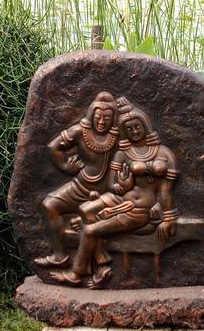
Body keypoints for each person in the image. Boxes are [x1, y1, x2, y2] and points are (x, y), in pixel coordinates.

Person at [51, 97, 179, 288]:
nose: (134, 131)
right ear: (123, 132)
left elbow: (166, 190)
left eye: (137, 127)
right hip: (118, 198)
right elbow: (114, 184)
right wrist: (123, 184)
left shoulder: (164, 153)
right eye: (128, 129)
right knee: (85, 210)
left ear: (146, 126)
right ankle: (101, 265)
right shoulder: (123, 153)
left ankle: (77, 273)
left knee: (90, 229)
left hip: (139, 209)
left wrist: (167, 216)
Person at [34, 91, 120, 268]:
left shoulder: (119, 135)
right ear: (91, 115)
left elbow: (138, 129)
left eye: (106, 118)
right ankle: (59, 255)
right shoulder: (81, 131)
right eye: (98, 117)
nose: (102, 122)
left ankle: (93, 263)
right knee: (49, 205)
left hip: (107, 191)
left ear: (113, 118)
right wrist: (65, 167)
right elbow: (53, 147)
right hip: (80, 185)